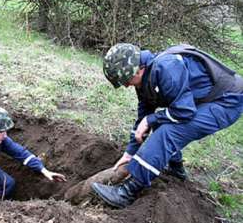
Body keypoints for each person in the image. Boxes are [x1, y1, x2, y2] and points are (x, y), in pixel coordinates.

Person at [91, 43, 243, 208]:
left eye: (126, 80)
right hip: (204, 100)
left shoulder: (166, 68)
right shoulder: (145, 77)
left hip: (226, 101)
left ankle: (127, 192)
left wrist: (152, 119)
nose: (126, 85)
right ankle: (176, 170)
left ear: (137, 69)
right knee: (161, 121)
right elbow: (144, 114)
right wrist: (130, 152)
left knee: (168, 131)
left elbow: (184, 112)